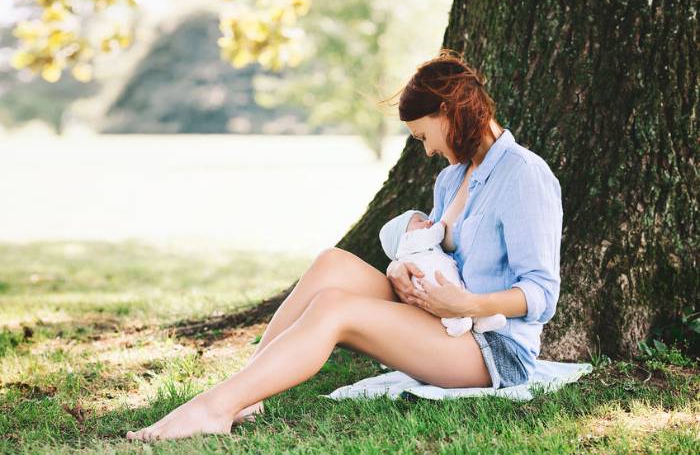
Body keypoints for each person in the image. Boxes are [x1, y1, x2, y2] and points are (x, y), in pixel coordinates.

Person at [125, 48, 563, 441]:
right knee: (331, 264)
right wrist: (399, 270)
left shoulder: (524, 174)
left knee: (336, 307)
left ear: (448, 112)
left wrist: (464, 304)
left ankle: (214, 408)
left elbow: (542, 294)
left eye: (423, 136)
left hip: (494, 350)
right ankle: (246, 395)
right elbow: (432, 253)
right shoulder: (453, 177)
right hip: (446, 317)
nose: (426, 151)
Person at [378, 209, 506, 337]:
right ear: (401, 233)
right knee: (445, 299)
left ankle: (478, 319)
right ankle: (455, 321)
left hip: (446, 278)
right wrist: (442, 224)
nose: (429, 221)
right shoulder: (408, 240)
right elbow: (434, 235)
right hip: (432, 281)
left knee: (461, 293)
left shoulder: (422, 247)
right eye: (419, 221)